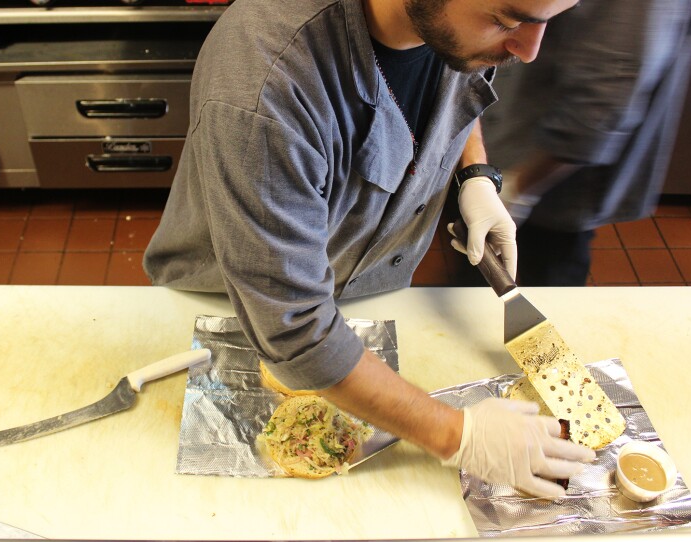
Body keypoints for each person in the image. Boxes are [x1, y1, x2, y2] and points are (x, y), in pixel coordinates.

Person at [144, 0, 594, 498]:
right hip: (225, 303)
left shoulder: (443, 20)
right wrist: (457, 435)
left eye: (546, 22)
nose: (529, 51)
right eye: (507, 21)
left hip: (358, 282)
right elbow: (293, 328)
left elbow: (460, 70)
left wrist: (475, 174)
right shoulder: (266, 80)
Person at [484, 0, 691, 285]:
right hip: (505, 149)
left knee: (549, 288)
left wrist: (518, 188)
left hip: (544, 178)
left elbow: (607, 91)